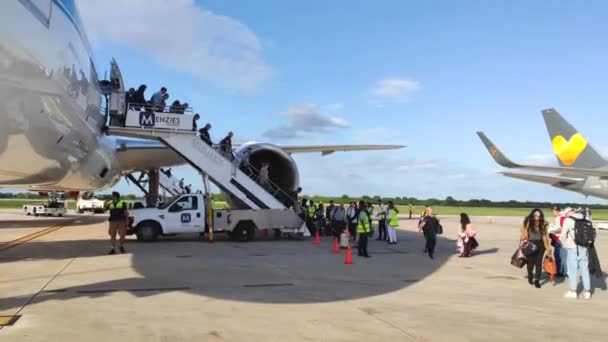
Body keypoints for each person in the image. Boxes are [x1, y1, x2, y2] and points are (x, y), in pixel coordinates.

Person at [560, 208, 592, 300]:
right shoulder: (585, 218)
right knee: (585, 270)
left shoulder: (568, 220)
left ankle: (573, 291)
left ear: (568, 213)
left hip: (572, 249)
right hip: (585, 248)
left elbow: (562, 235)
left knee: (572, 271)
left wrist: (565, 244)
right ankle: (587, 292)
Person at [519, 209, 553, 288]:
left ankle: (537, 280)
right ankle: (530, 275)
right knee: (530, 263)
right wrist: (524, 240)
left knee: (538, 263)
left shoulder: (543, 224)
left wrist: (549, 248)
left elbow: (546, 237)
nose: (537, 217)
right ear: (532, 215)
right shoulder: (527, 223)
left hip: (541, 245)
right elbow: (522, 233)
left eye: (539, 215)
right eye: (535, 215)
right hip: (530, 244)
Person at [549, 206, 568, 279]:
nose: (553, 212)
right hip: (560, 240)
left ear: (557, 211)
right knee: (561, 256)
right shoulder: (562, 217)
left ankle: (562, 272)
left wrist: (551, 231)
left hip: (560, 240)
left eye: (553, 211)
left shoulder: (561, 218)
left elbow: (562, 229)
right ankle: (562, 271)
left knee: (560, 256)